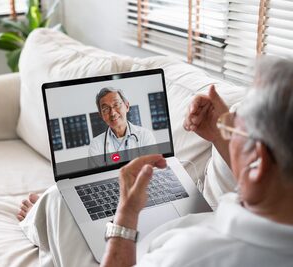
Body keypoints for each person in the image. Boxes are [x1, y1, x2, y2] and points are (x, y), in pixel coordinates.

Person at [17, 57, 293, 266]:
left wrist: (125, 213)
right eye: (105, 109)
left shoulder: (193, 254)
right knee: (60, 202)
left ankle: (37, 221)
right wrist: (222, 137)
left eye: (234, 132)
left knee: (56, 201)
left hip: (135, 242)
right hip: (188, 218)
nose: (112, 113)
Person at [88, 87, 156, 159]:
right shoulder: (95, 145)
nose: (112, 113)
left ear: (127, 106)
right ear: (101, 115)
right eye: (106, 109)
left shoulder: (145, 135)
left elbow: (153, 168)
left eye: (116, 105)